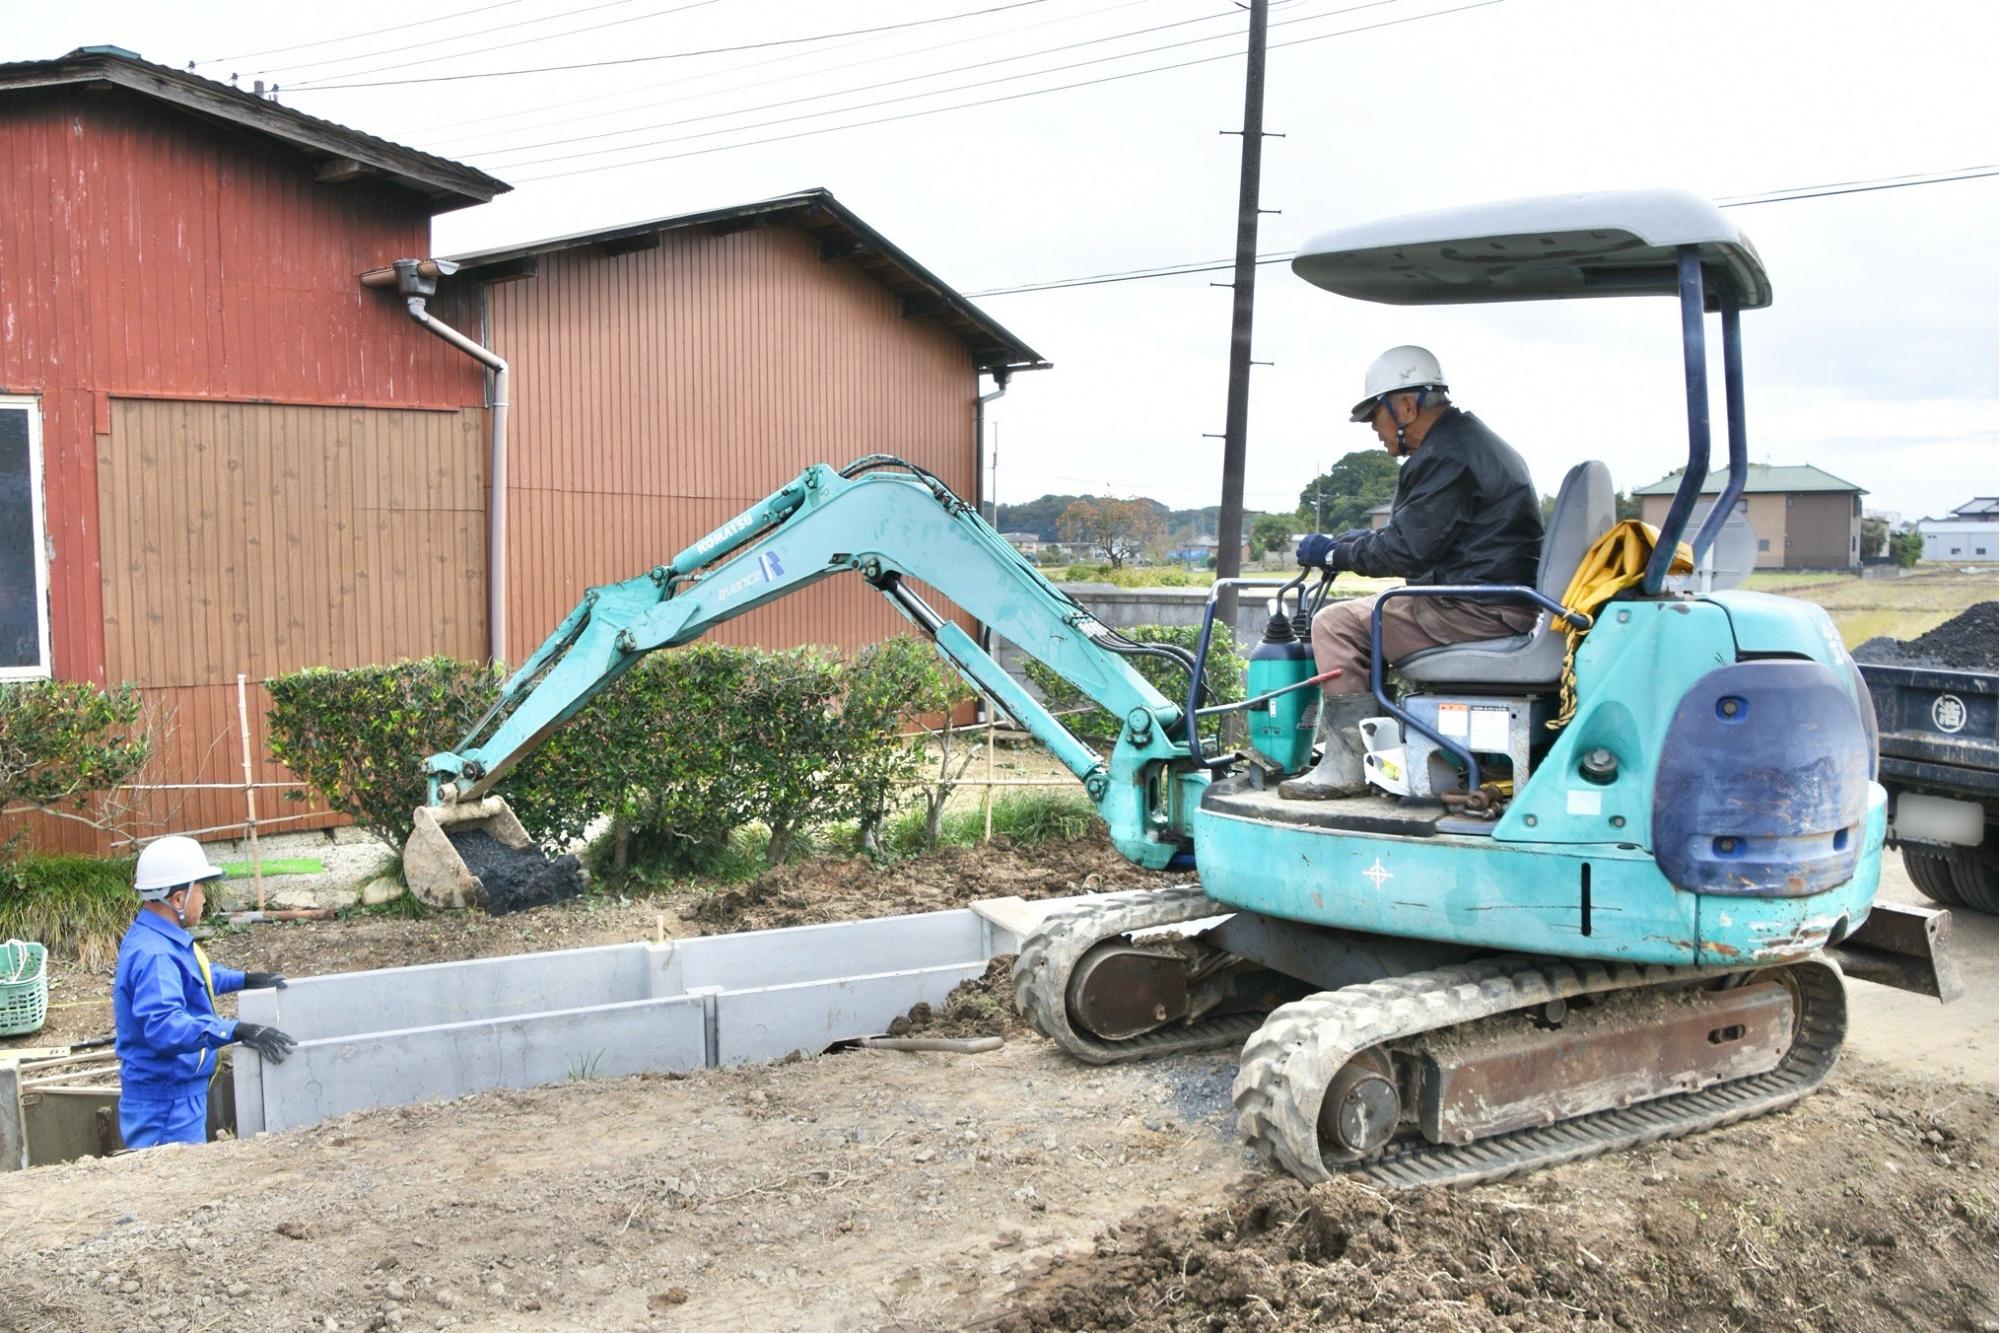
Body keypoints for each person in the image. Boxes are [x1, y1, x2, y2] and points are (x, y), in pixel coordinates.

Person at [1282, 346, 1545, 800]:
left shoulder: (1447, 456)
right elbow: (1429, 536)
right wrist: (1353, 543)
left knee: (1336, 625)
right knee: (1368, 619)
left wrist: (1332, 556)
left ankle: (1344, 766)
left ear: (1405, 405)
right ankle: (1384, 754)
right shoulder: (1467, 443)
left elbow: (1404, 551)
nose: (1376, 432)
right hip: (1493, 599)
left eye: (1375, 418)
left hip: (1476, 608)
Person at [113, 834, 297, 1148]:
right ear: (177, 899)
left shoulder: (160, 938)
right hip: (166, 1105)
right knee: (172, 1188)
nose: (203, 898)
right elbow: (164, 1026)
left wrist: (245, 979)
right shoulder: (155, 955)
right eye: (199, 889)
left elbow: (197, 976)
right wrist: (235, 1030)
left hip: (175, 1095)